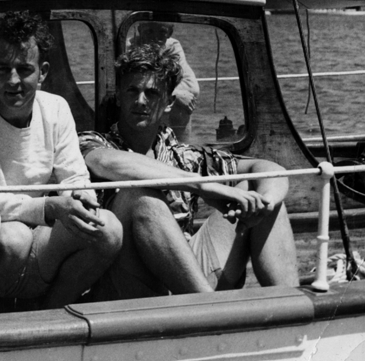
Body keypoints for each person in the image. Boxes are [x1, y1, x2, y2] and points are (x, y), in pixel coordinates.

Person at [78, 44, 299, 300]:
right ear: (118, 96)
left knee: (260, 190)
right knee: (141, 199)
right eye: (132, 91)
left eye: (151, 93)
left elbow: (270, 169)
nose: (140, 101)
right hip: (127, 282)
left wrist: (263, 205)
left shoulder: (185, 157)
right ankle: (209, 310)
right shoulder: (92, 143)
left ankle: (292, 309)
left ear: (169, 102)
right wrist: (201, 185)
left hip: (187, 279)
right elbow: (105, 162)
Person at [0, 12, 121, 307]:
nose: (13, 81)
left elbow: (74, 176)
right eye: (3, 69)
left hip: (40, 239)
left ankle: (51, 312)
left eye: (24, 69)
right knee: (14, 237)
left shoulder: (56, 108)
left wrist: (81, 199)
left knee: (108, 229)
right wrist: (51, 207)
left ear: (43, 72)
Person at [128, 21, 199, 139]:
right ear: (140, 31)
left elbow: (192, 88)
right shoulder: (127, 47)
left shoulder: (172, 46)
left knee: (182, 103)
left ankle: (180, 146)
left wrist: (175, 94)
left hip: (157, 104)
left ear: (169, 33)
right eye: (149, 31)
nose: (155, 38)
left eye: (162, 32)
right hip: (135, 105)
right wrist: (173, 94)